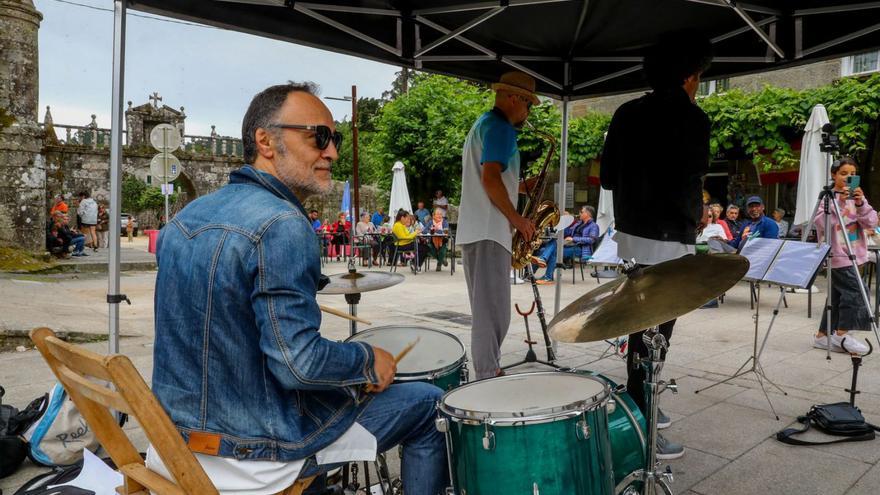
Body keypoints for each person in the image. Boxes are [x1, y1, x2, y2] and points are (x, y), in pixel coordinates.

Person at [148, 82, 447, 494]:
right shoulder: (282, 224)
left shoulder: (186, 216)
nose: (332, 152)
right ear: (265, 141)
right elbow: (298, 364)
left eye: (335, 138)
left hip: (174, 441)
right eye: (318, 137)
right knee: (430, 403)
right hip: (251, 454)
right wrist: (366, 360)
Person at [600, 30, 714, 460]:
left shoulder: (626, 112)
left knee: (638, 327)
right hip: (670, 240)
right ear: (689, 75)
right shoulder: (693, 118)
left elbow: (608, 178)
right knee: (656, 335)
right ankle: (642, 425)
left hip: (630, 234)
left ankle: (640, 405)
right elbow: (692, 177)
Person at [457, 70, 539, 379]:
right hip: (491, 231)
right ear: (515, 98)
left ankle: (488, 371)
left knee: (486, 312)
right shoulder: (502, 129)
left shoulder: (482, 124)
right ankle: (488, 376)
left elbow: (491, 179)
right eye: (528, 105)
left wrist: (520, 185)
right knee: (494, 316)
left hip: (476, 229)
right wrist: (518, 220)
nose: (527, 113)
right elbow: (490, 179)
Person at [814, 157, 877, 354]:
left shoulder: (858, 198)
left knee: (838, 295)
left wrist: (860, 204)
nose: (848, 178)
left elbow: (872, 223)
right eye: (843, 174)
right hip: (837, 254)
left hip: (854, 252)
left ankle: (822, 336)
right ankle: (842, 334)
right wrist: (839, 204)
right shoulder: (828, 198)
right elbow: (821, 224)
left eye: (852, 174)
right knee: (858, 292)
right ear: (833, 175)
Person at [531, 205, 600, 284]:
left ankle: (542, 274)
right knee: (544, 248)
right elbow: (566, 233)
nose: (579, 213)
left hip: (581, 249)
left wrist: (574, 239)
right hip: (570, 245)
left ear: (588, 214)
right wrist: (565, 221)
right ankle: (543, 269)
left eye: (581, 212)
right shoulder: (578, 224)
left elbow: (591, 240)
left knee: (553, 251)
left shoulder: (594, 226)